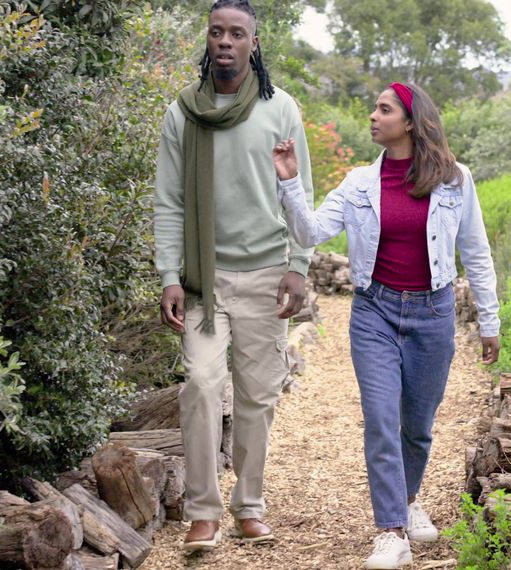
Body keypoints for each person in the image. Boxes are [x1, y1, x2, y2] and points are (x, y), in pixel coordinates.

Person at [271, 82, 500, 569]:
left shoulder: (456, 180)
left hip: (433, 313)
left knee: (416, 427)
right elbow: (311, 232)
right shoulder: (358, 183)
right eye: (374, 108)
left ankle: (409, 498)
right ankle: (390, 530)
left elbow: (476, 252)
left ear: (411, 122)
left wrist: (490, 321)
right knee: (380, 420)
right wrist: (290, 182)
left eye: (384, 109)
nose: (373, 116)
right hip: (374, 311)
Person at [153, 0, 314, 553]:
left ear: (253, 44)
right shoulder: (183, 112)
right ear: (208, 40)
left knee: (256, 397)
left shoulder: (281, 109)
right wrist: (169, 273)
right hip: (204, 278)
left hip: (266, 273)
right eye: (217, 31)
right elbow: (170, 201)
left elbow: (300, 195)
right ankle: (203, 513)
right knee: (200, 384)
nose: (225, 40)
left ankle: (249, 505)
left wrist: (297, 266)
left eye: (237, 33)